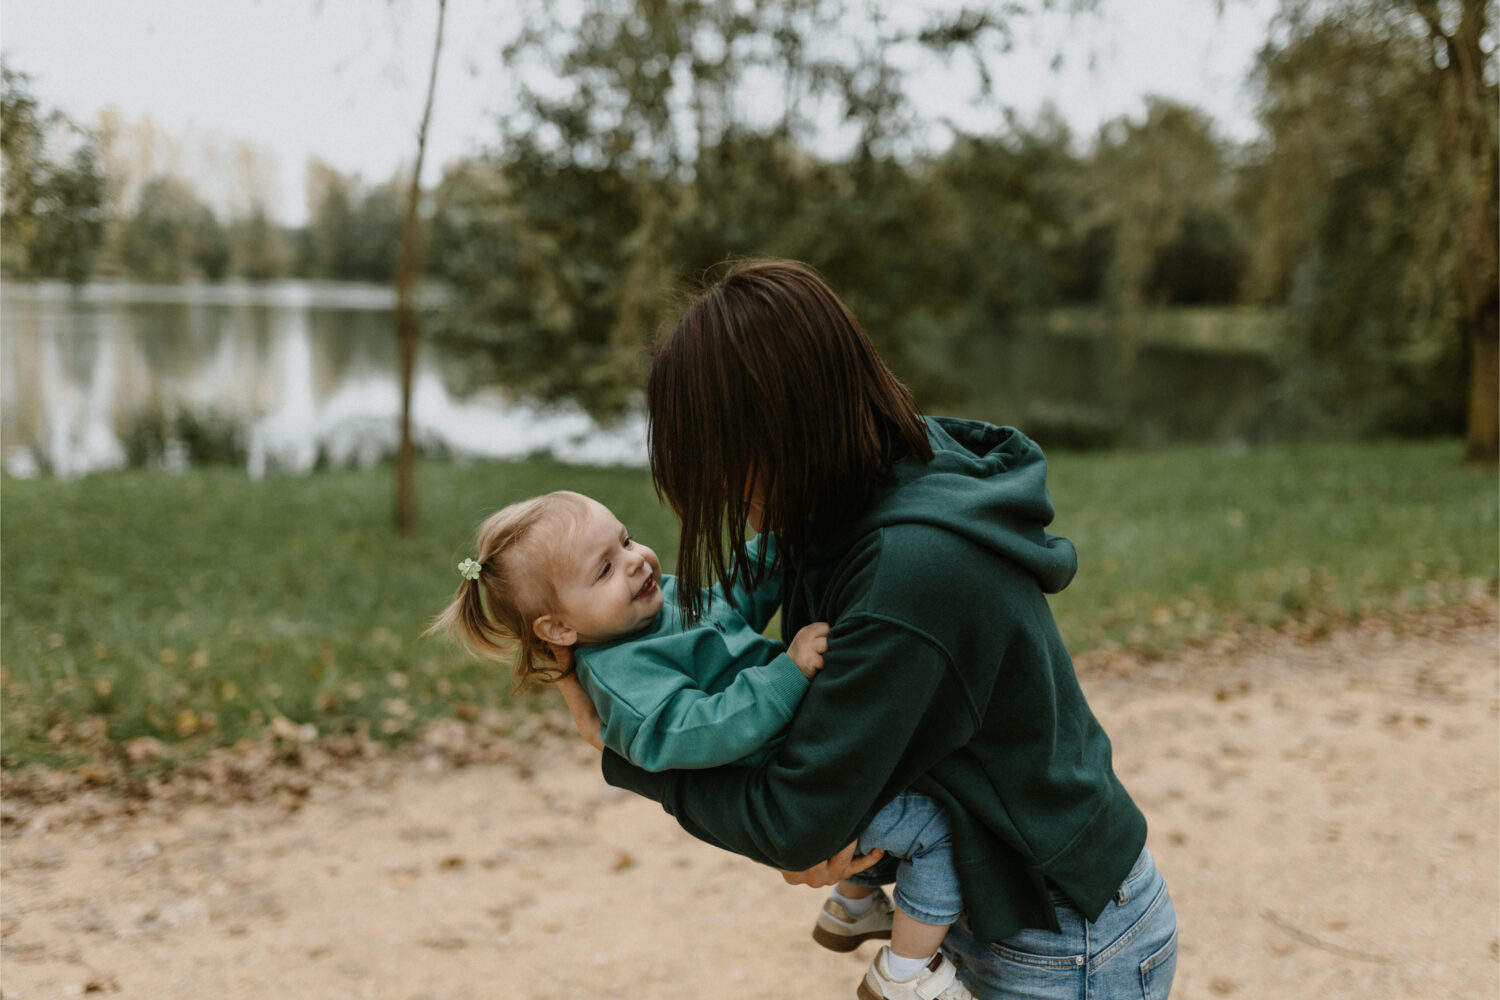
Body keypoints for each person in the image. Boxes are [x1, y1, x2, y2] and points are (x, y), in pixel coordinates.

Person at [581, 259, 1179, 1000]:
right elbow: (742, 651)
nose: (717, 490)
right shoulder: (852, 491)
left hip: (1059, 938)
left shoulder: (910, 572)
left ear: (774, 437)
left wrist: (629, 753)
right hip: (1000, 906)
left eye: (715, 463)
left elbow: (795, 819)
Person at [431, 490, 978, 999]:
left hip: (819, 750)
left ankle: (853, 904)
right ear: (558, 629)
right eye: (604, 569)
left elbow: (726, 603)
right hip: (800, 779)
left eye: (624, 540)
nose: (635, 561)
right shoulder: (625, 679)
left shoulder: (652, 607)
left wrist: (779, 541)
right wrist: (785, 673)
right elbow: (703, 728)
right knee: (936, 829)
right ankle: (907, 973)